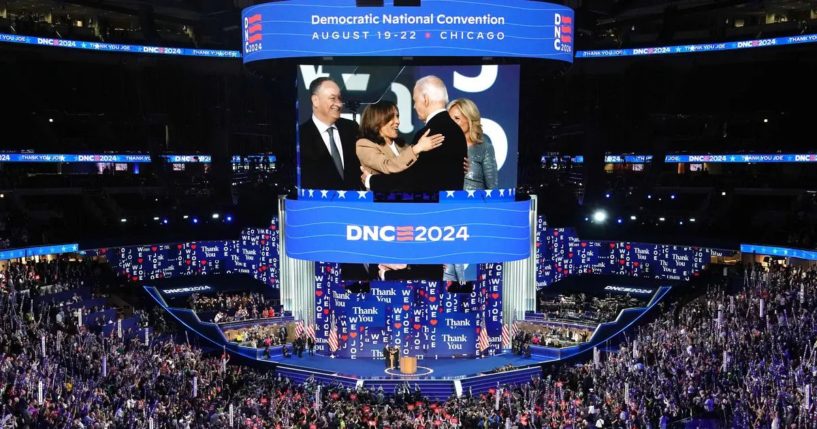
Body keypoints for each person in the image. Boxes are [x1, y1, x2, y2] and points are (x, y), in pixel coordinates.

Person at [363, 75, 467, 194]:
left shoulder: (427, 134)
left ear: (425, 99)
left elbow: (411, 180)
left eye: (415, 100)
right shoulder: (457, 131)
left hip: (427, 208)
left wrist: (371, 180)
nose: (414, 106)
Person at [444, 98, 498, 282]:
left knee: (463, 264)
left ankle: (465, 296)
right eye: (450, 119)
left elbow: (492, 188)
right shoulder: (442, 148)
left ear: (470, 119)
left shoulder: (484, 148)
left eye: (457, 118)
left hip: (473, 214)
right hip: (448, 214)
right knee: (447, 265)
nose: (453, 124)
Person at [299, 77, 362, 190]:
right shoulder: (301, 136)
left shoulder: (352, 128)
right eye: (333, 98)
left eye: (339, 98)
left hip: (354, 203)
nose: (339, 104)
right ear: (315, 100)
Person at [356, 100, 444, 175]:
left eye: (397, 116)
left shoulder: (403, 146)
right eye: (391, 117)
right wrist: (417, 148)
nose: (398, 121)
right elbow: (388, 166)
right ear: (376, 120)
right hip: (379, 195)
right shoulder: (364, 144)